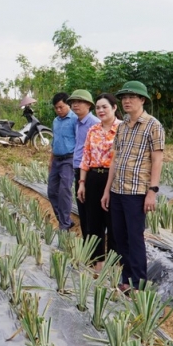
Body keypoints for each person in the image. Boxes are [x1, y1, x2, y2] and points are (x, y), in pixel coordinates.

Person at [100, 81, 165, 293]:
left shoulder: (153, 126)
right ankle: (126, 277)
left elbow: (157, 160)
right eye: (124, 97)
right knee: (119, 236)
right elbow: (115, 159)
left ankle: (139, 282)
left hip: (137, 192)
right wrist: (107, 190)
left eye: (132, 97)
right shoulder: (122, 126)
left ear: (142, 100)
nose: (127, 101)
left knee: (135, 237)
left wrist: (152, 191)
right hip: (118, 189)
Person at [77, 93, 121, 269]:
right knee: (94, 223)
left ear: (114, 108)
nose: (101, 110)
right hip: (94, 178)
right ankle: (98, 265)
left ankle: (114, 265)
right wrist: (81, 182)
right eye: (98, 108)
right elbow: (85, 156)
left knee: (113, 222)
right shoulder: (93, 130)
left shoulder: (123, 129)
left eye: (105, 107)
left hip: (114, 178)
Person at [68, 89, 100, 236]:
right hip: (78, 170)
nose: (75, 105)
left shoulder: (94, 123)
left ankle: (93, 247)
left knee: (90, 210)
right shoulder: (77, 122)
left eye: (79, 102)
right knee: (82, 208)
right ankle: (87, 244)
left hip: (90, 171)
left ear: (89, 105)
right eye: (73, 102)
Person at [47, 92, 75, 231]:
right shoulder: (55, 121)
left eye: (61, 107)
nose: (58, 110)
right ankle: (65, 220)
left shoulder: (75, 119)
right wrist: (51, 160)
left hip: (69, 160)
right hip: (56, 160)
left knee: (64, 191)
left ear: (67, 104)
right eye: (56, 108)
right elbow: (54, 142)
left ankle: (64, 225)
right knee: (51, 191)